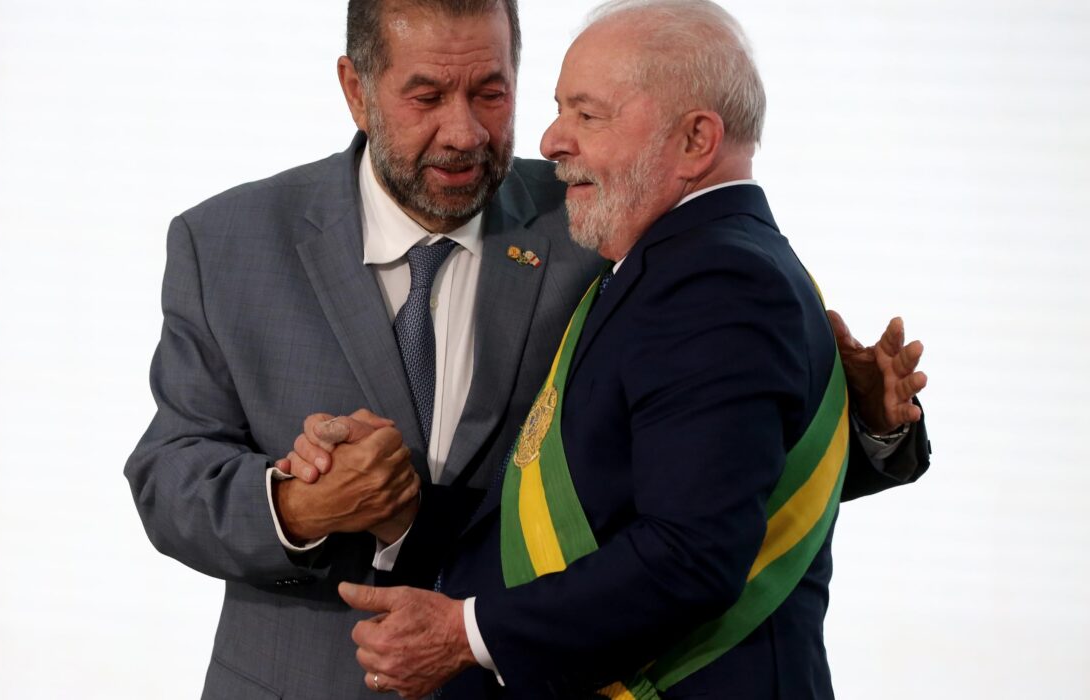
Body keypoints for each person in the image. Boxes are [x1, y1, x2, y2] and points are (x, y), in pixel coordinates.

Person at [123, 1, 928, 698]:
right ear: (356, 89)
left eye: (492, 91)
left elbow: (704, 456)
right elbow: (167, 474)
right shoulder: (227, 241)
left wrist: (858, 421)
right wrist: (297, 508)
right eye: (427, 96)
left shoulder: (603, 212)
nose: (465, 132)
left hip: (536, 675)